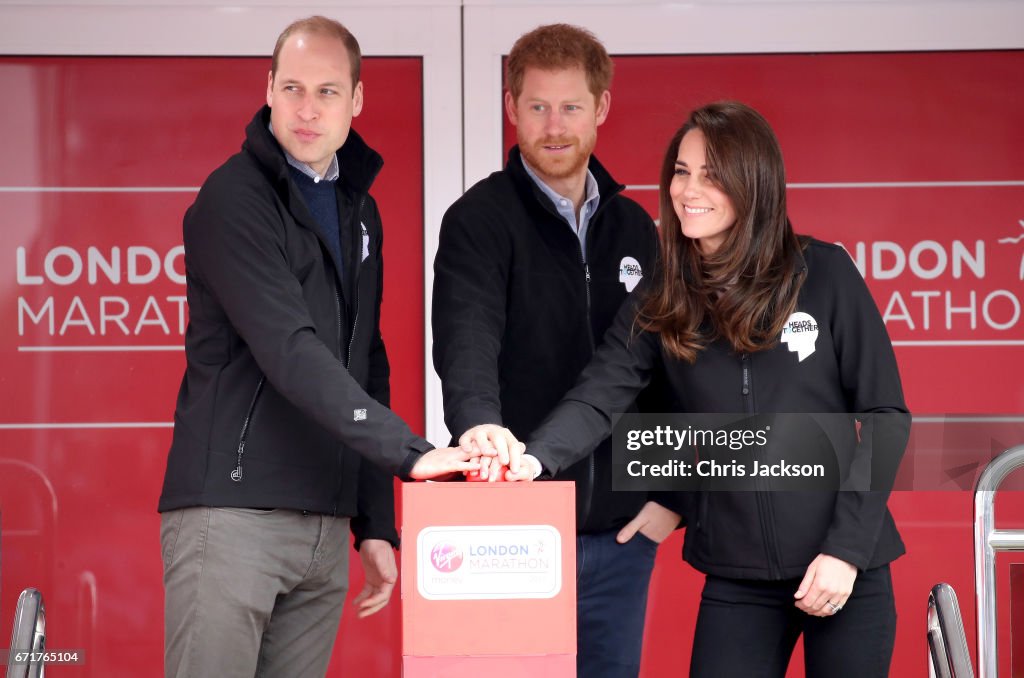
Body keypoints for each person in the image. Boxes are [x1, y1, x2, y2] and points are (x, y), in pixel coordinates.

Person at [510, 101, 909, 677]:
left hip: (844, 568)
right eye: (682, 171)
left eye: (713, 174)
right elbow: (598, 395)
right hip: (737, 575)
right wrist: (531, 459)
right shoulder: (663, 295)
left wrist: (846, 553)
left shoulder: (822, 274)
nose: (689, 189)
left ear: (754, 183)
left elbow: (884, 415)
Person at [157, 16, 478, 678]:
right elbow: (289, 351)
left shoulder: (360, 209)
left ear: (356, 100)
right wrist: (412, 455)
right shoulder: (233, 199)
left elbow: (366, 362)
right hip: (234, 517)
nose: (308, 110)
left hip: (324, 528)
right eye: (293, 88)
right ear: (268, 88)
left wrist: (377, 523)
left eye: (328, 92)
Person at [432, 23, 683, 678]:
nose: (553, 125)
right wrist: (480, 427)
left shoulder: (637, 229)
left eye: (571, 106)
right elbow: (467, 338)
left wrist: (672, 497)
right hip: (515, 531)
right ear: (512, 108)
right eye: (537, 106)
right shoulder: (478, 220)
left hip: (622, 539)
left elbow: (664, 373)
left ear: (600, 108)